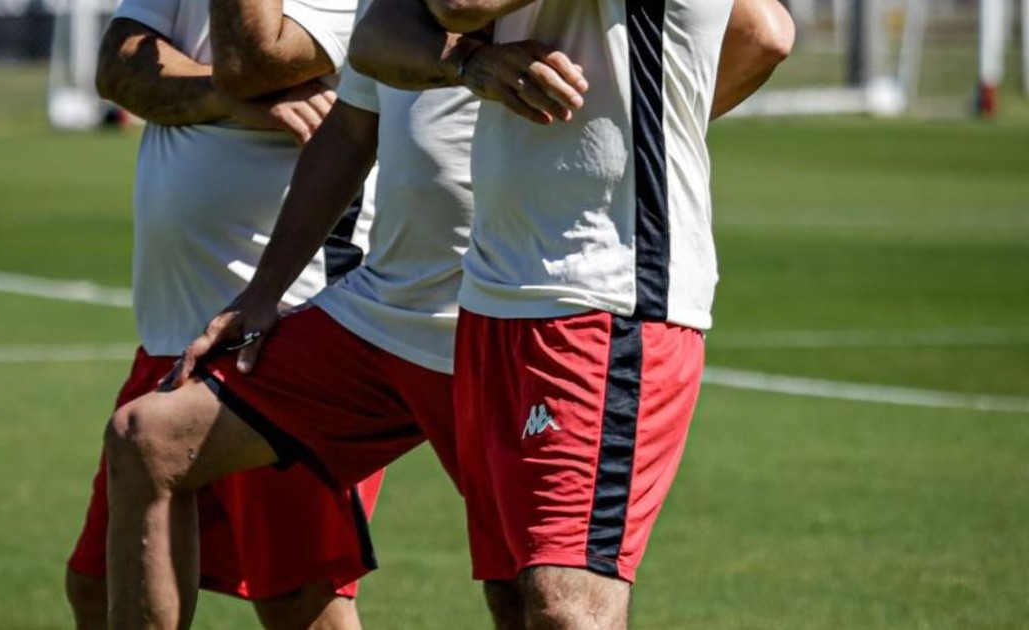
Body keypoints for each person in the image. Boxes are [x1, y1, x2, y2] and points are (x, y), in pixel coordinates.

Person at [99, 0, 793, 626]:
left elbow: (762, 32)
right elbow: (366, 72)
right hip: (410, 304)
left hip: (585, 298)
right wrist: (264, 291)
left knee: (550, 602)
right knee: (150, 439)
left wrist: (658, 123)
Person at [348, 0, 794, 627]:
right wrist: (467, 61)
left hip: (606, 291)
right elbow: (375, 37)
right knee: (514, 591)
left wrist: (663, 122)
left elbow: (459, 4)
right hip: (495, 288)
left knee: (567, 604)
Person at [63, 0, 385, 627]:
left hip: (284, 326)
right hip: (174, 330)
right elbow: (119, 68)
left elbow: (252, 62)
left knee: (299, 597)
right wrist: (225, 99)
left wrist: (222, 86)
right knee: (98, 585)